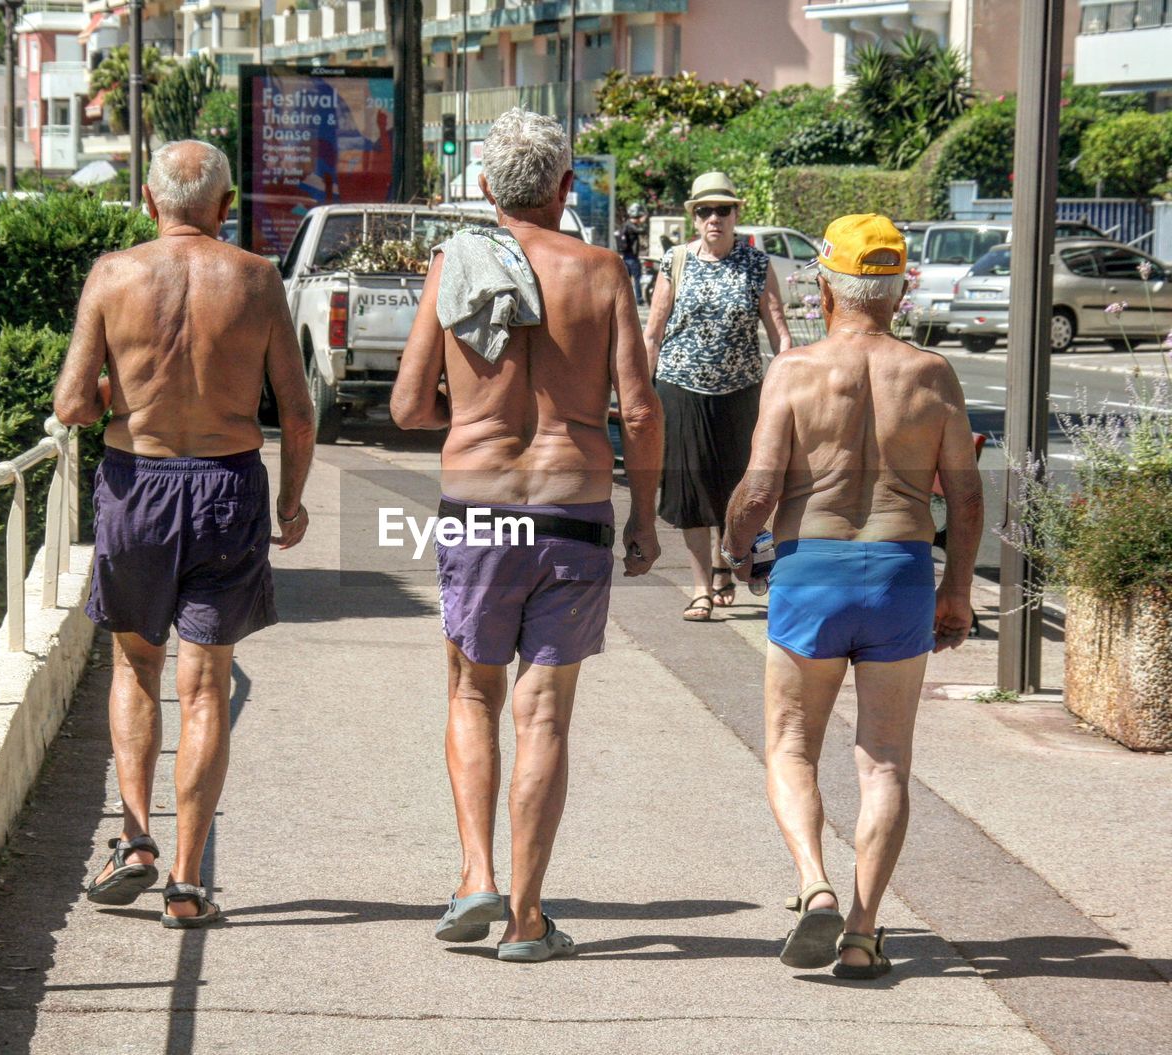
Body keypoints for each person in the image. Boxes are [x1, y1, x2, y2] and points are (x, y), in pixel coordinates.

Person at [391, 108, 663, 963]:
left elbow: (404, 407)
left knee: (473, 693)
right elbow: (641, 409)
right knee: (544, 713)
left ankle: (475, 878)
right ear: (565, 189)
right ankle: (528, 918)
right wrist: (647, 516)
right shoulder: (602, 270)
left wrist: (466, 416)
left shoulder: (453, 265)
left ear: (483, 188)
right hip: (573, 508)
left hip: (479, 507)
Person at [53, 140, 315, 929]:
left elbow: (72, 406)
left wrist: (120, 383)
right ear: (226, 206)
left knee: (137, 665)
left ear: (147, 198)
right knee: (205, 685)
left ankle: (135, 838)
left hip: (139, 484)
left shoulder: (113, 274)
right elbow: (298, 413)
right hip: (228, 488)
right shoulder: (258, 278)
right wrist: (292, 505)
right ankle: (188, 879)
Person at [720, 214, 983, 978]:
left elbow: (761, 487)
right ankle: (865, 932)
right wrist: (956, 591)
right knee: (887, 760)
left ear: (827, 288)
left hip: (813, 568)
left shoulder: (795, 371)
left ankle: (815, 887)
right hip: (900, 569)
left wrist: (738, 550)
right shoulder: (932, 373)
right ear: (898, 292)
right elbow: (964, 501)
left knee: (792, 745)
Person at [643, 172, 791, 622]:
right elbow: (654, 331)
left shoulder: (757, 265)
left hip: (741, 392)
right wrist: (641, 396)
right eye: (704, 211)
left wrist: (786, 393)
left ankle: (726, 562)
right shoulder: (676, 261)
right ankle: (701, 587)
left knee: (736, 490)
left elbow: (780, 333)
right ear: (695, 216)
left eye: (722, 210)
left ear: (735, 215)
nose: (714, 218)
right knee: (689, 490)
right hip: (680, 388)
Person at [618, 202, 646, 304]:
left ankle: (625, 299)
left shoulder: (626, 225)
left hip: (626, 256)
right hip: (631, 257)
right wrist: (643, 223)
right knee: (637, 278)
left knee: (627, 279)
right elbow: (641, 231)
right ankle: (638, 299)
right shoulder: (631, 226)